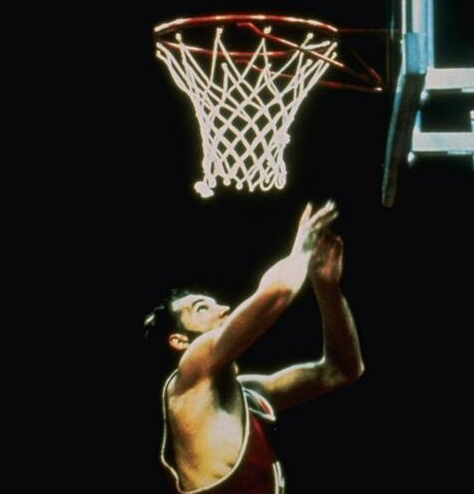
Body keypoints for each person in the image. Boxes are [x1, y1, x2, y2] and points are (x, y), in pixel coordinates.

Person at [143, 201, 364, 493]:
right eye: (201, 308)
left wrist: (327, 289)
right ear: (179, 340)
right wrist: (302, 249)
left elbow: (342, 370)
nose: (223, 309)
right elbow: (279, 292)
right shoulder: (189, 373)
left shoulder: (250, 394)